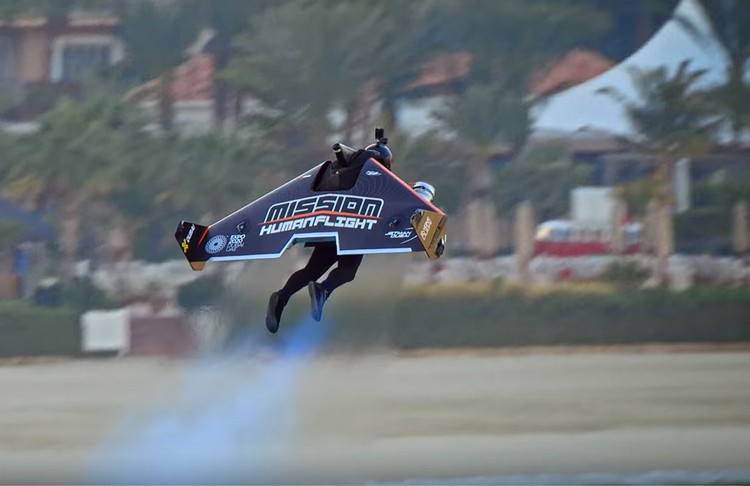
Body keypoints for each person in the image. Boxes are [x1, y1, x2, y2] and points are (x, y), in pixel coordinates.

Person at [265, 130, 393, 333]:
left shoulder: (342, 172)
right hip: (353, 229)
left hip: (329, 226)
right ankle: (323, 289)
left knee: (312, 270)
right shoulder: (378, 178)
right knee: (348, 271)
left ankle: (281, 296)